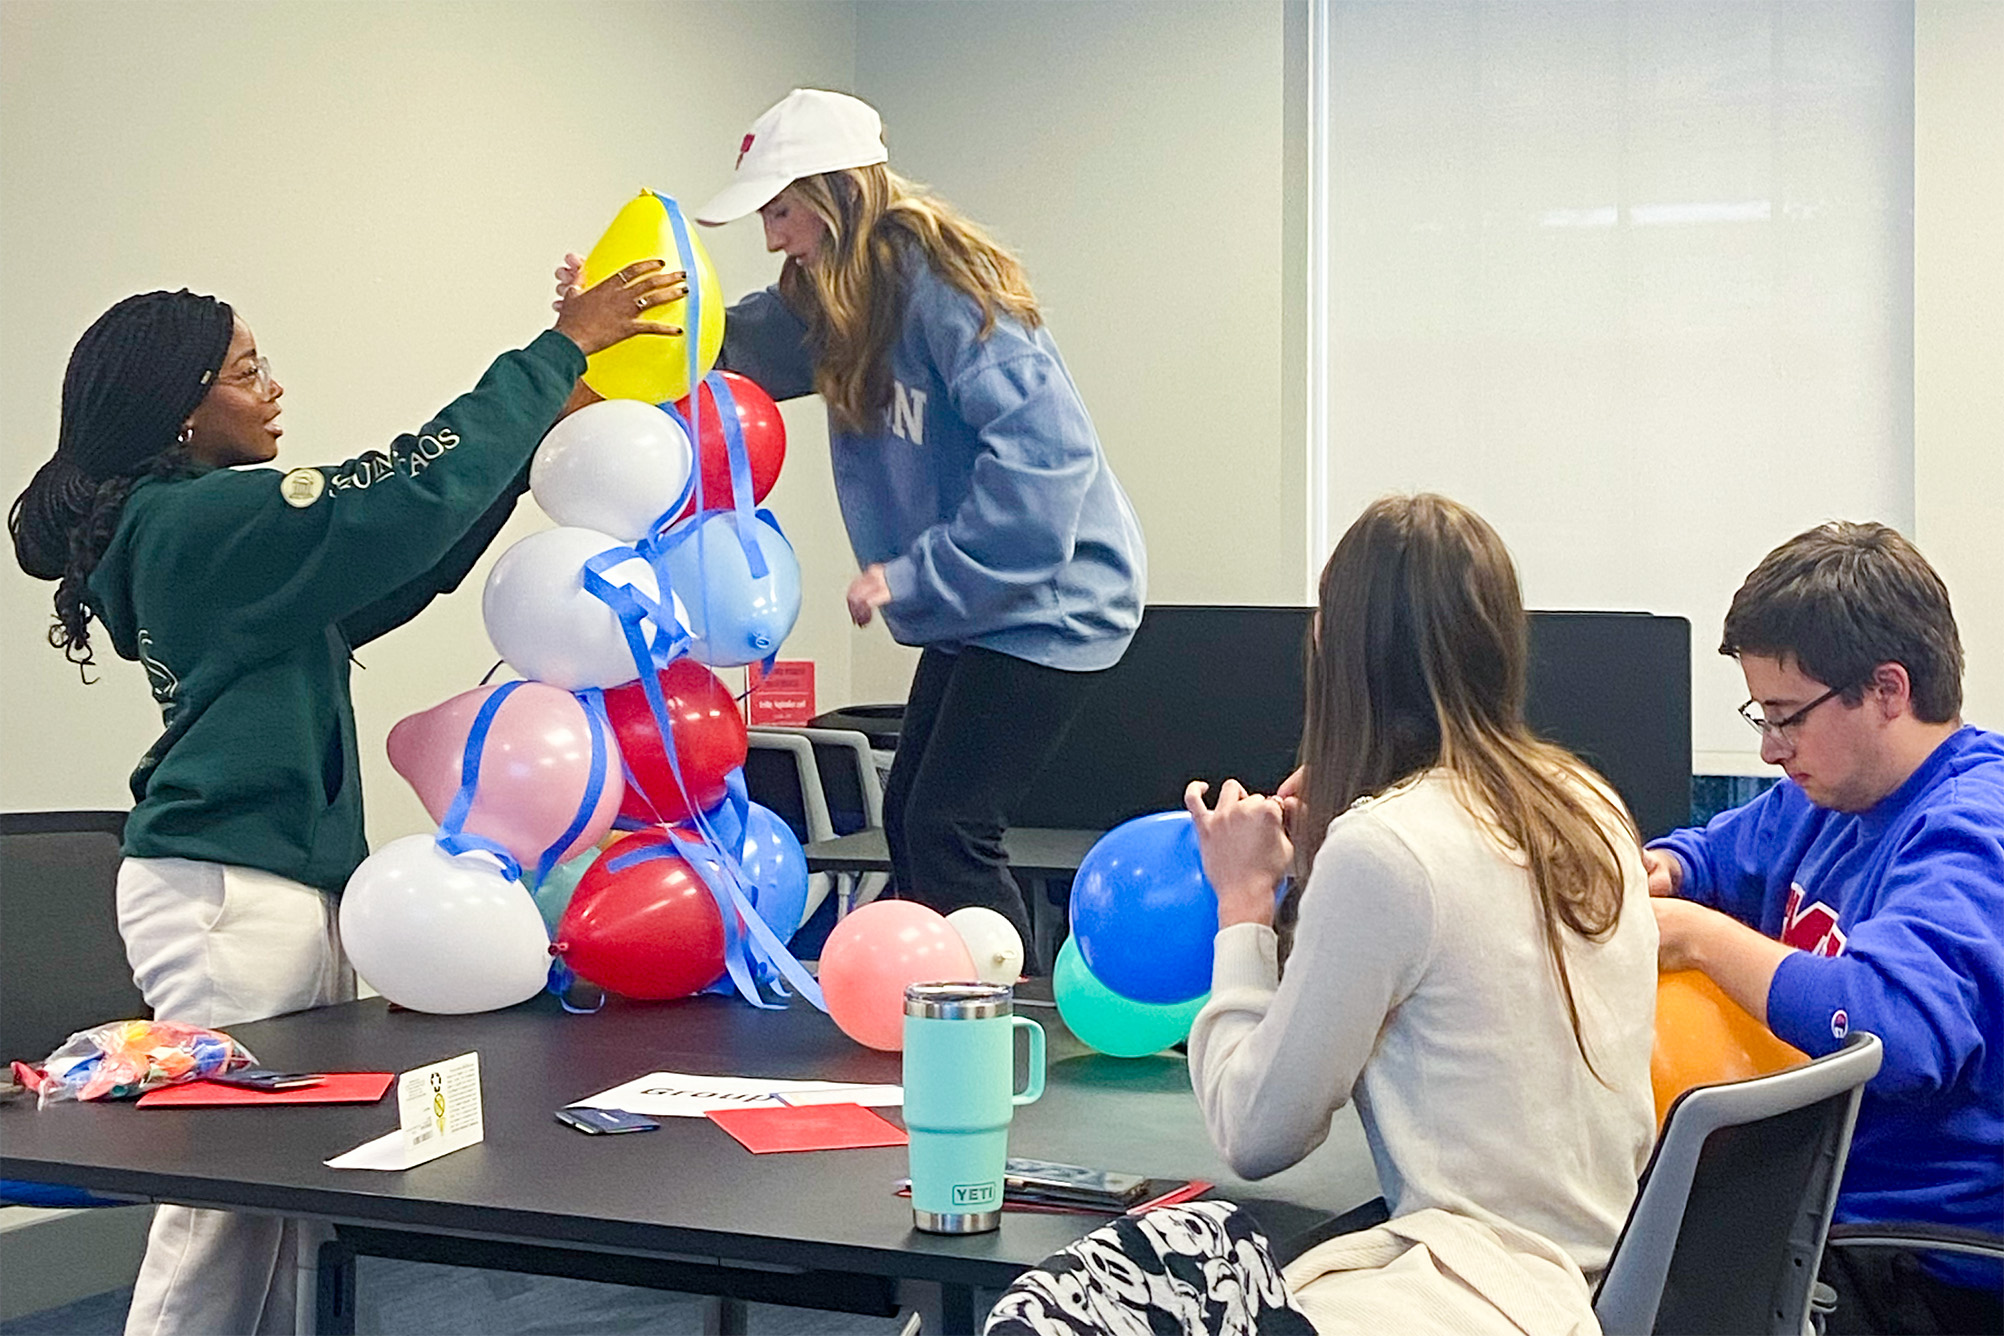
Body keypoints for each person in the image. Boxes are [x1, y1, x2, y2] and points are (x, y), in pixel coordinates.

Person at [9, 262, 680, 1336]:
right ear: (182, 411)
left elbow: (404, 557)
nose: (271, 388)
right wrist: (555, 351)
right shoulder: (200, 525)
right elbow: (397, 494)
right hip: (228, 890)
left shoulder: (214, 545)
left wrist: (525, 443)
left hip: (270, 883)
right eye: (245, 371)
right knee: (224, 1205)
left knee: (288, 1206)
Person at [563, 88, 1146, 962]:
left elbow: (1046, 469)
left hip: (1058, 601)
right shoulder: (839, 295)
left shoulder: (948, 287)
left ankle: (991, 1025)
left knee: (949, 827)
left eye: (784, 210)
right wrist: (599, 324)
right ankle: (929, 1010)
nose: (771, 237)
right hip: (980, 606)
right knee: (914, 816)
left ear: (835, 192)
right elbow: (717, 345)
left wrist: (917, 574)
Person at [1181, 494, 1659, 1333]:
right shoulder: (1590, 805)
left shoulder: (1389, 851)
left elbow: (1255, 1131)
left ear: (1338, 651)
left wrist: (1245, 902)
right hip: (1603, 1274)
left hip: (1474, 1297)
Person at [1643, 521, 2004, 1336]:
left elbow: (1895, 1034)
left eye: (1787, 717)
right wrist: (1659, 873)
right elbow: (1711, 855)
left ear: (1886, 690)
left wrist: (1699, 936)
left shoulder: (1973, 831)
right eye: (1759, 718)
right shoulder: (1832, 793)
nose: (1772, 751)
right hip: (1801, 1207)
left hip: (1911, 1267)